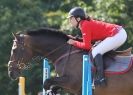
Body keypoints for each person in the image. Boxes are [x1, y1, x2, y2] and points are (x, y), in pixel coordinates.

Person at [67, 7, 127, 86]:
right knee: (98, 51)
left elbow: (87, 46)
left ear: (78, 19)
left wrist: (74, 42)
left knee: (95, 51)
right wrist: (75, 39)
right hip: (119, 34)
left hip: (118, 35)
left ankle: (101, 78)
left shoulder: (85, 25)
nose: (69, 21)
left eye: (71, 18)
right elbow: (87, 41)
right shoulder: (84, 24)